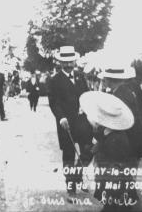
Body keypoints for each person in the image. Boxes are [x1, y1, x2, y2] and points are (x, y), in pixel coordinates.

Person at [80, 91, 138, 212]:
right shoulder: (109, 132)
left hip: (114, 180)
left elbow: (115, 162)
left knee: (115, 205)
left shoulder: (116, 138)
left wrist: (99, 148)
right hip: (110, 178)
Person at [48, 46, 93, 201]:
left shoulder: (80, 76)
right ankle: (71, 188)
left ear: (74, 60)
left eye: (70, 61)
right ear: (60, 62)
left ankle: (77, 176)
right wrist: (61, 117)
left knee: (88, 150)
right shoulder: (54, 80)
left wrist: (86, 107)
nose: (68, 65)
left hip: (82, 122)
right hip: (66, 123)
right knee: (69, 155)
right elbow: (54, 102)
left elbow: (87, 95)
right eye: (64, 62)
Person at [100, 66, 142, 159]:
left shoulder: (119, 96)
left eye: (105, 79)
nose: (103, 81)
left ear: (110, 80)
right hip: (134, 136)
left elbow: (120, 120)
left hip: (130, 138)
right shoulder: (122, 91)